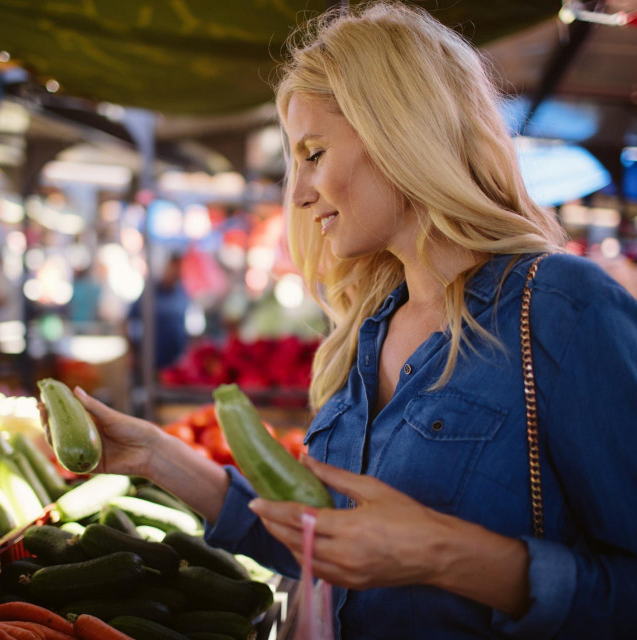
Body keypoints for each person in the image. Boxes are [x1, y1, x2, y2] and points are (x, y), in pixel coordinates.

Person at [72, 3, 637, 638]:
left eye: (313, 152)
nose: (298, 192)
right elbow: (332, 549)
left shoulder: (562, 306)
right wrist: (155, 455)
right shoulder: (367, 329)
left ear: (401, 134)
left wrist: (444, 553)